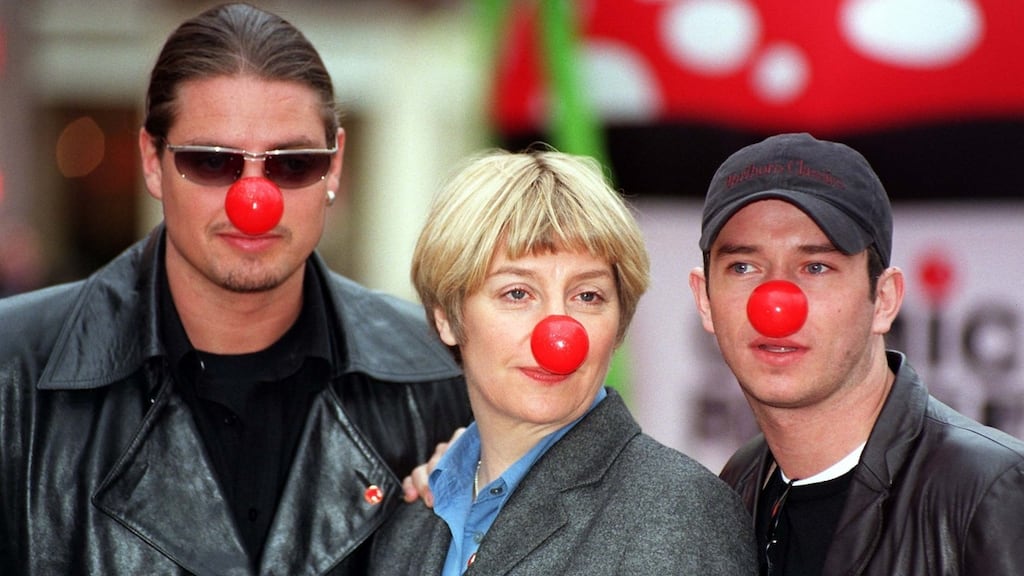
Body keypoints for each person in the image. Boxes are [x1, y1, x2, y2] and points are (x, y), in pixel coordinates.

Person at [0, 4, 471, 575]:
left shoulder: (442, 380)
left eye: (293, 164)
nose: (253, 202)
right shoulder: (12, 379)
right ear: (153, 161)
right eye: (211, 162)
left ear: (335, 165)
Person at [368, 148, 758, 575]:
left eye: (587, 296)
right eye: (517, 293)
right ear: (447, 317)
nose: (558, 333)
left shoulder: (681, 513)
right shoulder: (406, 522)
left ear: (619, 326)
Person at [688, 132, 1024, 575]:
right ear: (705, 299)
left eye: (816, 267)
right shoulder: (738, 485)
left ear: (884, 299)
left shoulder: (990, 494)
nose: (775, 305)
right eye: (744, 267)